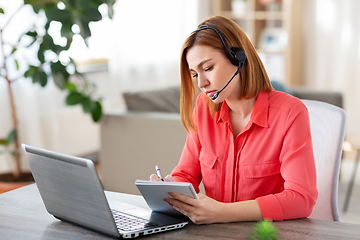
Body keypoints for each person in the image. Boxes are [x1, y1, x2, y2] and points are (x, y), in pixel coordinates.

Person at [150, 16, 318, 224]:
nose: (201, 83)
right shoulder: (203, 108)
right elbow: (186, 174)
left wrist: (221, 213)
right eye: (194, 74)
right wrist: (169, 188)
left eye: (208, 68)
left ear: (239, 58)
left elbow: (302, 199)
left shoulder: (290, 112)